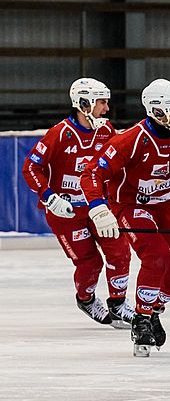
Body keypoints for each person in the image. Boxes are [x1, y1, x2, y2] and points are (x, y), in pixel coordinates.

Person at [80, 78, 170, 356]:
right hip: (132, 206)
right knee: (156, 254)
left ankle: (153, 307)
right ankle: (142, 318)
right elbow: (91, 174)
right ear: (158, 112)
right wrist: (99, 209)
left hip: (168, 207)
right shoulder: (129, 141)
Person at [22, 78, 135, 329]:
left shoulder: (107, 132)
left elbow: (121, 166)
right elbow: (30, 167)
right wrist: (50, 198)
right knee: (90, 262)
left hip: (98, 209)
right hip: (66, 213)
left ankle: (118, 305)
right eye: (102, 103)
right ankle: (86, 299)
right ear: (84, 103)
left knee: (120, 252)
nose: (107, 109)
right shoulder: (59, 133)